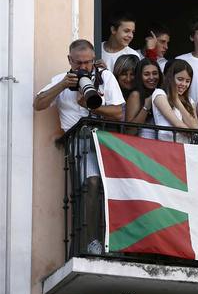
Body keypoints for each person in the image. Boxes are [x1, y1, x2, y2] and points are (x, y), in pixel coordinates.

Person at [33, 39, 124, 254]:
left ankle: (111, 242)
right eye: (78, 63)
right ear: (69, 60)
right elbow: (38, 104)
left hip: (104, 140)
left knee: (111, 190)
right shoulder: (61, 79)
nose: (83, 67)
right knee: (91, 183)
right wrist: (63, 85)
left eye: (88, 62)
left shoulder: (105, 77)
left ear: (93, 59)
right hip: (79, 141)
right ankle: (91, 241)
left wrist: (95, 106)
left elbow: (119, 113)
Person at [151, 59, 198, 142]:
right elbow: (177, 124)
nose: (184, 84)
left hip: (186, 148)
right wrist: (175, 99)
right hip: (167, 147)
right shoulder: (159, 94)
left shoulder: (190, 100)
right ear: (170, 78)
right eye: (180, 79)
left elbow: (194, 127)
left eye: (187, 81)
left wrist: (177, 101)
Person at [125, 58, 163, 138]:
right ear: (140, 76)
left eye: (155, 73)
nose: (152, 77)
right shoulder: (135, 95)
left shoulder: (162, 93)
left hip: (161, 145)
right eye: (146, 74)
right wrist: (146, 107)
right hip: (141, 146)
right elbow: (130, 131)